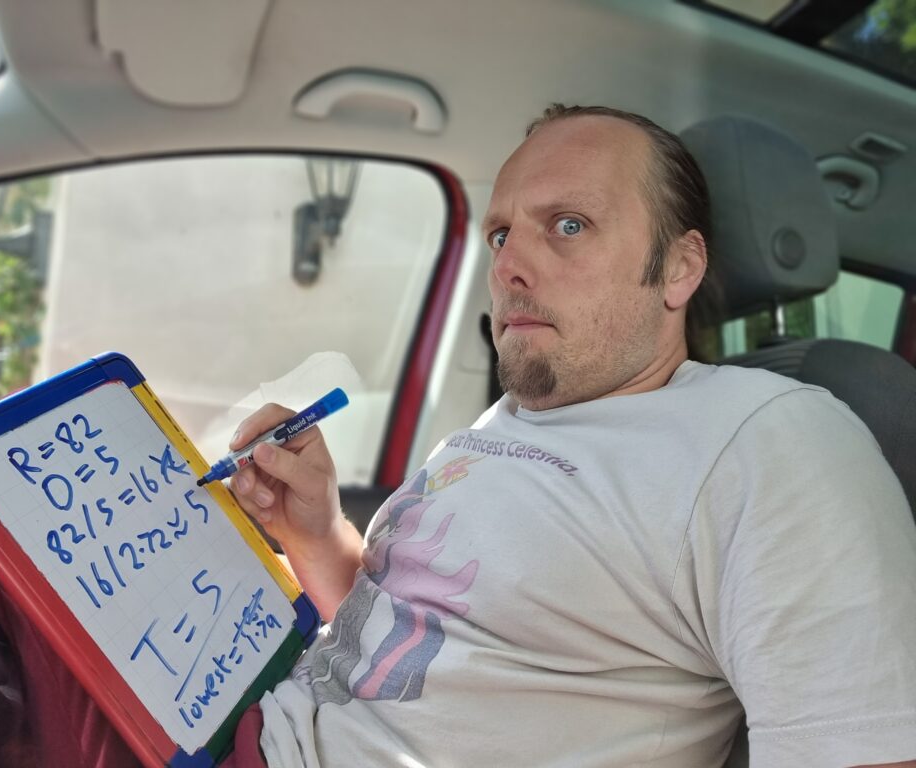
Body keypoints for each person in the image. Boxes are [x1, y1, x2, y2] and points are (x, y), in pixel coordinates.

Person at [226, 105, 916, 767]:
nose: (507, 266)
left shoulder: (772, 441)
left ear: (680, 267)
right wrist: (314, 531)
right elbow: (398, 645)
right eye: (501, 235)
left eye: (569, 224)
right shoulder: (507, 423)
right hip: (247, 721)